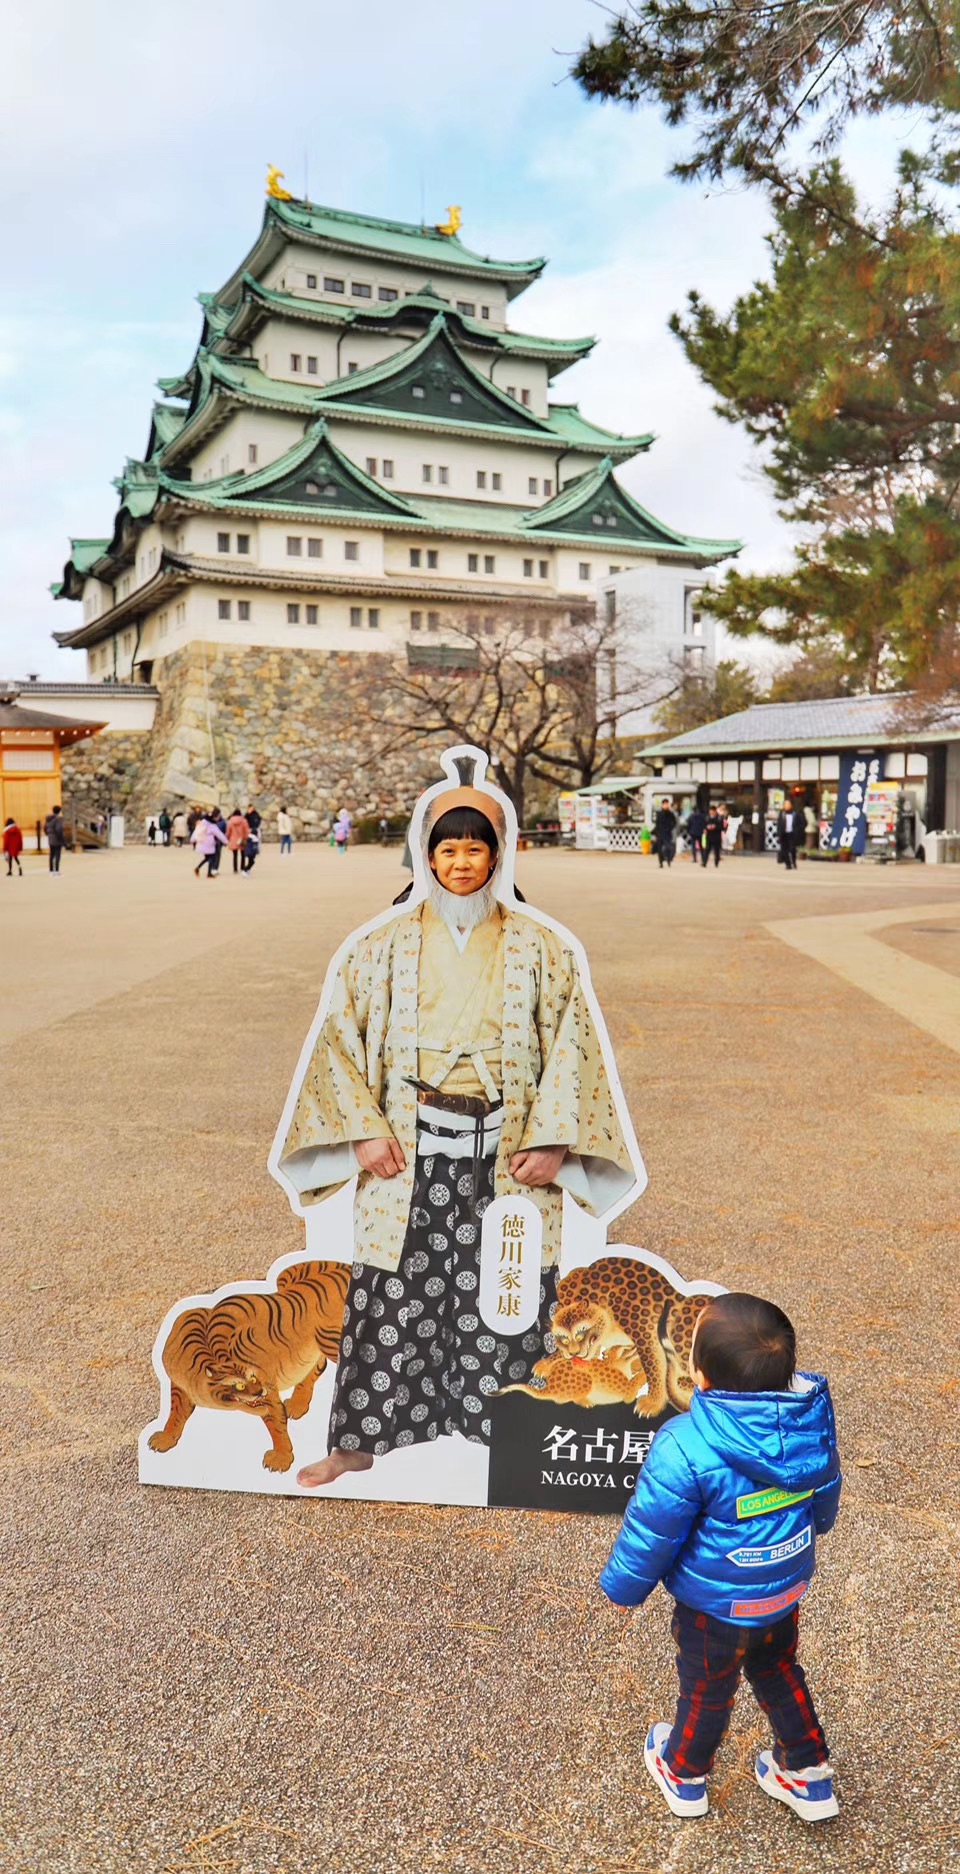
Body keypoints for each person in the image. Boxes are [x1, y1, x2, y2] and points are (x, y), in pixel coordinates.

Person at [279, 773, 638, 1490]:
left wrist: (554, 1139)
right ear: (425, 857)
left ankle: (513, 1437)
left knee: (507, 1292)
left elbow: (574, 1047)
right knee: (392, 1291)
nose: (462, 862)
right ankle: (357, 1443)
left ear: (500, 855)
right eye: (448, 850)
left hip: (507, 1151)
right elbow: (338, 1045)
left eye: (477, 848)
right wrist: (360, 1133)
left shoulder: (541, 947)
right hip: (407, 1148)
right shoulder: (378, 948)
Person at [600, 1292, 841, 1825]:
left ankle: (683, 1774)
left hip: (715, 1608)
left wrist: (624, 1589)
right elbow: (826, 1488)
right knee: (779, 1669)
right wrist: (818, 1525)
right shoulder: (809, 1422)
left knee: (708, 1689)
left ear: (701, 1377)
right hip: (782, 1591)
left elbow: (651, 1530)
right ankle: (808, 1773)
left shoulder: (685, 1444)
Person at [190, 812, 227, 878]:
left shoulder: (201, 824)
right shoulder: (212, 826)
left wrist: (192, 840)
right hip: (209, 845)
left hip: (202, 844)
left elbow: (195, 832)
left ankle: (198, 868)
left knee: (207, 858)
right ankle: (208, 873)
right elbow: (220, 835)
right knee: (212, 858)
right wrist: (226, 842)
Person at [653, 798, 677, 869]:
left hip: (667, 833)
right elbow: (657, 824)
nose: (666, 805)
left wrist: (670, 828)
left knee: (668, 847)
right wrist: (655, 833)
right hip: (660, 833)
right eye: (665, 804)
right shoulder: (659, 814)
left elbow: (674, 823)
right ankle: (661, 862)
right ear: (662, 805)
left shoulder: (670, 814)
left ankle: (668, 859)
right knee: (659, 849)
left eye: (667, 804)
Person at [777, 800, 800, 870]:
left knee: (792, 849)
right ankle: (788, 864)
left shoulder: (795, 814)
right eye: (785, 805)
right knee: (784, 850)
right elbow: (779, 824)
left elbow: (800, 824)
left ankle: (793, 861)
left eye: (788, 805)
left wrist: (797, 832)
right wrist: (778, 834)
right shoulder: (782, 814)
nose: (787, 806)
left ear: (791, 806)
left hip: (792, 834)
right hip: (784, 834)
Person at [226, 808, 250, 875]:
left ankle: (235, 869)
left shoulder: (230, 821)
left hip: (233, 840)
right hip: (242, 839)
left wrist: (227, 838)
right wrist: (246, 838)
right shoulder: (244, 821)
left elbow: (228, 831)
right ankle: (242, 868)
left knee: (235, 855)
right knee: (243, 855)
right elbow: (246, 831)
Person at [44, 806, 67, 874]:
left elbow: (45, 828)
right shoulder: (57, 819)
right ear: (59, 811)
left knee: (51, 855)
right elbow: (59, 830)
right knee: (57, 855)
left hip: (50, 838)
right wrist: (62, 840)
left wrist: (49, 834)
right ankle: (56, 870)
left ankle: (51, 870)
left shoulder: (48, 819)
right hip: (57, 839)